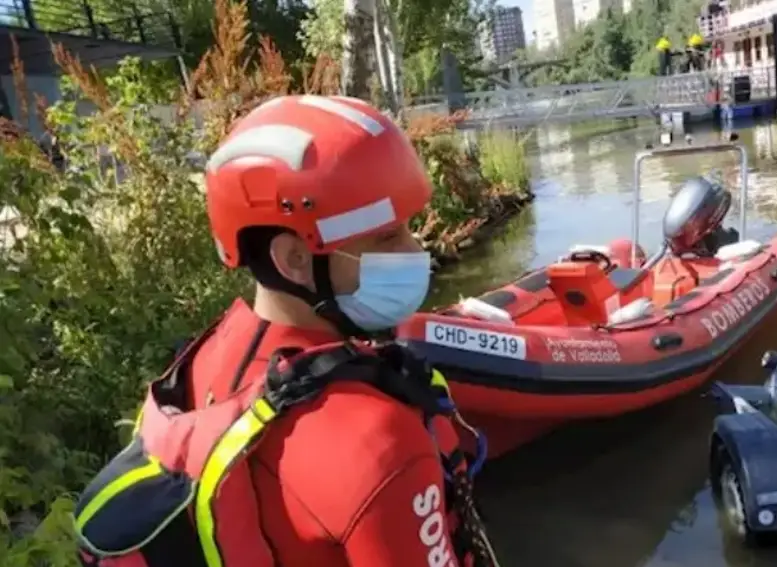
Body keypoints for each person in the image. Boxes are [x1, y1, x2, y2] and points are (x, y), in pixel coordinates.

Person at [72, 95, 497, 567]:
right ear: (294, 259)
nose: (416, 249)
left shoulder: (200, 360)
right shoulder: (383, 443)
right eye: (387, 237)